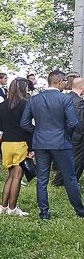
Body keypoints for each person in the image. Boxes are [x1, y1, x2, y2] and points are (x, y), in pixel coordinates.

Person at [20, 70, 84, 220]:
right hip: (61, 142)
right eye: (65, 82)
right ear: (60, 82)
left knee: (42, 179)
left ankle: (44, 212)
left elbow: (24, 123)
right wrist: (66, 134)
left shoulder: (33, 99)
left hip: (40, 142)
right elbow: (73, 122)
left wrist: (37, 131)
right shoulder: (65, 99)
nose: (65, 85)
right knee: (70, 178)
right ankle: (80, 210)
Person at [0, 77, 34, 217]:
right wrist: (31, 148)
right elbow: (27, 127)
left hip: (6, 143)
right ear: (23, 89)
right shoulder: (25, 104)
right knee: (17, 176)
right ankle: (12, 208)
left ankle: (3, 206)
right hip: (21, 143)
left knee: (10, 176)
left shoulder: (2, 105)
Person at [54, 77, 84, 188]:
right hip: (77, 135)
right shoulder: (79, 101)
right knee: (77, 159)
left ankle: (59, 181)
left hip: (62, 133)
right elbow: (80, 121)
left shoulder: (64, 98)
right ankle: (70, 183)